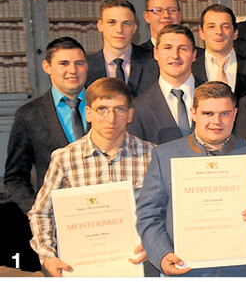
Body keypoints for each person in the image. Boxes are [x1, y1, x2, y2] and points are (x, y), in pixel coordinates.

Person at [136, 81, 246, 276]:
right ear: (193, 113)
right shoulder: (164, 155)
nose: (217, 121)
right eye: (208, 113)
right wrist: (162, 254)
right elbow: (149, 215)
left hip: (245, 271)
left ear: (235, 114)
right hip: (187, 270)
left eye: (225, 113)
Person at [28, 77, 155, 277]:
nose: (111, 118)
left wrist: (155, 244)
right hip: (81, 268)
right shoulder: (65, 158)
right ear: (88, 113)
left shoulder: (152, 156)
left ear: (130, 114)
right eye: (102, 109)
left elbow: (167, 209)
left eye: (119, 109)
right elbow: (41, 213)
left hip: (139, 266)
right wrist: (47, 256)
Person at [1, 37, 91, 272]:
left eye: (79, 63)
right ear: (47, 67)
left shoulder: (105, 106)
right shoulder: (28, 115)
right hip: (56, 230)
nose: (73, 70)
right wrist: (37, 213)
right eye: (64, 63)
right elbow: (14, 176)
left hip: (103, 220)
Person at [129, 24, 206, 144]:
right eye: (167, 48)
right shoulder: (139, 107)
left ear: (194, 55)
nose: (175, 55)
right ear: (155, 53)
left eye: (182, 49)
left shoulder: (215, 98)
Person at [85, 0, 159, 97]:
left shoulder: (154, 63)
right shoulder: (86, 68)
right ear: (100, 25)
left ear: (134, 28)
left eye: (126, 23)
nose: (119, 29)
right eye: (112, 22)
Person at [194, 4, 246, 99]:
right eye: (211, 27)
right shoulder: (190, 70)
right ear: (201, 33)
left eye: (225, 27)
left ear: (235, 33)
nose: (219, 32)